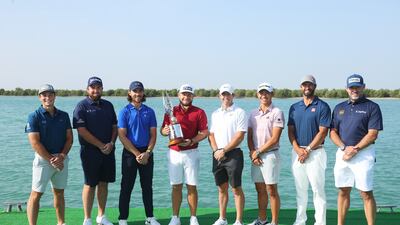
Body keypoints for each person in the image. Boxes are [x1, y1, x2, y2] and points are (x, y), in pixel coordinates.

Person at [330, 74, 383, 225]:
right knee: (343, 190)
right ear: (346, 89)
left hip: (364, 154)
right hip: (343, 153)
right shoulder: (339, 107)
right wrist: (344, 148)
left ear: (363, 87)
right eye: (352, 87)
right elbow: (332, 132)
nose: (355, 90)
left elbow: (372, 134)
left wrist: (355, 149)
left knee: (365, 193)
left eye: (357, 87)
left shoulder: (372, 107)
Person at [160, 84, 209, 225]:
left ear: (193, 96)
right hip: (174, 153)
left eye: (189, 94)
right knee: (176, 186)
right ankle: (175, 217)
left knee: (192, 186)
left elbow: (204, 132)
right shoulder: (171, 111)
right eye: (183, 94)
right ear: (179, 95)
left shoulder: (199, 112)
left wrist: (192, 140)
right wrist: (166, 130)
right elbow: (162, 130)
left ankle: (193, 217)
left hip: (192, 153)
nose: (186, 97)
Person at [25, 84, 73, 225]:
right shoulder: (34, 116)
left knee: (59, 192)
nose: (47, 97)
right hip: (44, 160)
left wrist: (62, 156)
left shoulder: (63, 115)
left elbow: (70, 138)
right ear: (40, 97)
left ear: (54, 96)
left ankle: (61, 222)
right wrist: (52, 159)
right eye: (44, 95)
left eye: (50, 94)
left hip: (61, 158)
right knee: (36, 194)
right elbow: (35, 143)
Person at [73, 76, 117, 225]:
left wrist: (111, 143)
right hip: (90, 151)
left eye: (98, 87)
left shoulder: (108, 105)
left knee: (104, 183)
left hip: (108, 150)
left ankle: (101, 216)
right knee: (90, 184)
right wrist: (100, 145)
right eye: (93, 87)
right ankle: (87, 218)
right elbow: (82, 130)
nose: (96, 90)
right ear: (88, 89)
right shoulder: (81, 106)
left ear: (102, 89)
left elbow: (114, 127)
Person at [287, 75, 331, 225]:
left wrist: (308, 150)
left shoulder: (323, 106)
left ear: (314, 86)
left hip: (316, 153)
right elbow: (291, 131)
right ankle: (300, 221)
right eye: (304, 85)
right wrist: (298, 150)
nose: (307, 87)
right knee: (300, 190)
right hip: (297, 153)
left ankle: (320, 222)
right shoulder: (294, 107)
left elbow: (323, 132)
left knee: (318, 190)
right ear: (301, 87)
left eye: (310, 85)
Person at [117, 81, 160, 225]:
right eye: (135, 91)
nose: (138, 94)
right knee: (126, 187)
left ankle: (150, 217)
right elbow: (122, 136)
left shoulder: (150, 111)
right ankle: (123, 219)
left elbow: (153, 134)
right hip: (130, 153)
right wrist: (137, 154)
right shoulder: (124, 111)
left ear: (143, 93)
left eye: (140, 91)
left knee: (147, 186)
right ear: (129, 93)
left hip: (147, 153)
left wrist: (147, 152)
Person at [209, 83, 247, 225]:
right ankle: (222, 218)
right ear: (220, 96)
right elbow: (211, 134)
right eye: (223, 94)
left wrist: (224, 150)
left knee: (236, 188)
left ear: (233, 96)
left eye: (228, 94)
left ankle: (238, 221)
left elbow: (239, 136)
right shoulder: (215, 114)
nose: (226, 97)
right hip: (217, 155)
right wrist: (216, 151)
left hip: (234, 155)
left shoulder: (239, 112)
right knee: (221, 188)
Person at [247, 83, 284, 225]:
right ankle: (262, 220)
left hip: (270, 155)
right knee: (260, 189)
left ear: (271, 94)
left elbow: (275, 139)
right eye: (261, 93)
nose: (264, 95)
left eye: (266, 93)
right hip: (256, 156)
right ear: (258, 95)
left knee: (271, 189)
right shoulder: (252, 113)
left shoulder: (277, 112)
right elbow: (249, 136)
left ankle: (274, 222)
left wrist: (257, 152)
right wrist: (252, 153)